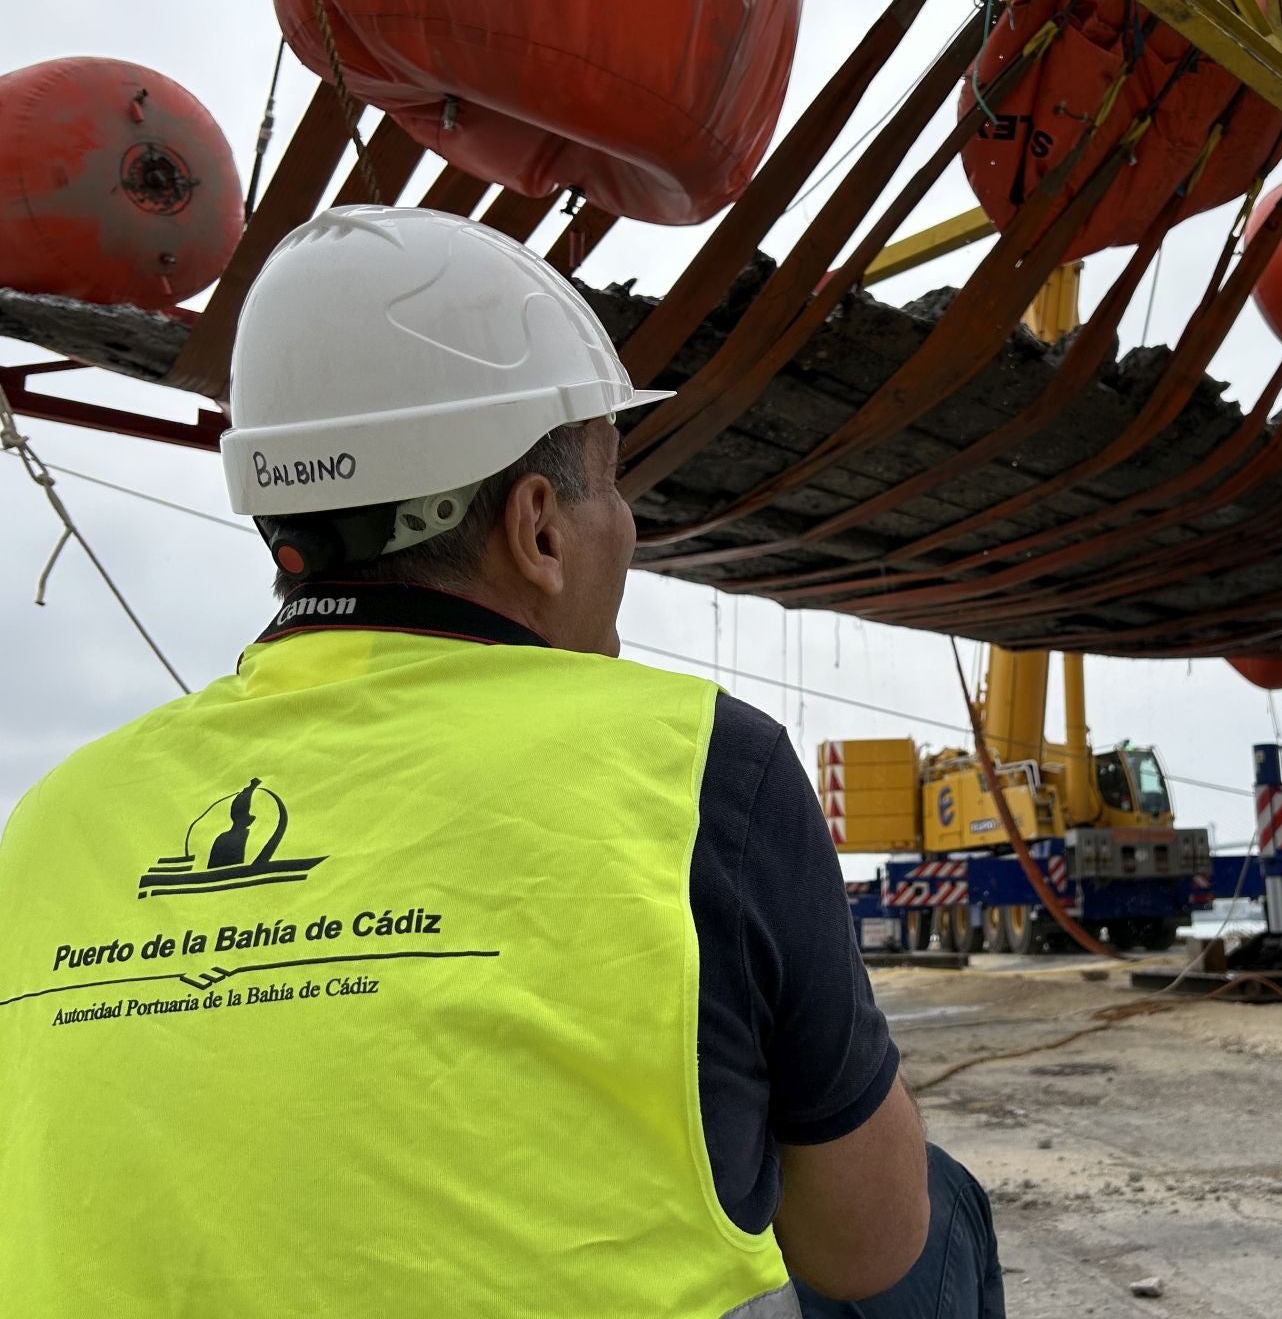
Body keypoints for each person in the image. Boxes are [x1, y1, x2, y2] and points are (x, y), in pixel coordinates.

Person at [0, 205, 1002, 1318]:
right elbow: (869, 1247)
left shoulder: (50, 820)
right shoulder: (705, 768)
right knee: (932, 1199)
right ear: (537, 525)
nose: (624, 525)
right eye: (610, 482)